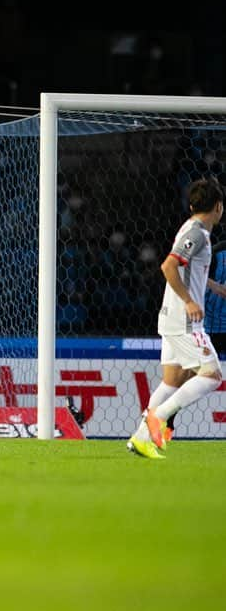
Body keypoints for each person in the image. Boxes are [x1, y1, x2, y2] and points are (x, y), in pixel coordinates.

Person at [128, 177, 226, 459]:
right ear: (218, 207)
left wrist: (215, 288)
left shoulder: (191, 229)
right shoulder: (197, 234)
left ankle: (140, 438)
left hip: (170, 317)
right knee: (212, 375)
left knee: (173, 379)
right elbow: (169, 266)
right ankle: (156, 420)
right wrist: (190, 301)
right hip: (184, 319)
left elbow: (187, 270)